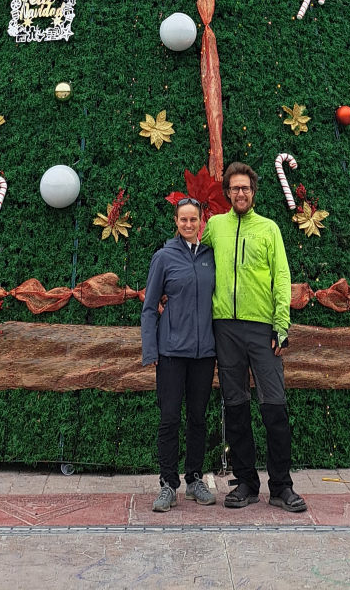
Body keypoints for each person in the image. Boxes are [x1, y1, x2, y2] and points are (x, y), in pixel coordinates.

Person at [200, 161, 306, 512]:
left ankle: (281, 486)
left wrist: (281, 325)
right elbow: (192, 257)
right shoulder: (215, 226)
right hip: (225, 329)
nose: (240, 193)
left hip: (263, 329)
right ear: (227, 193)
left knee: (274, 407)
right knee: (236, 407)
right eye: (235, 188)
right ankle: (246, 482)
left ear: (253, 192)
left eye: (245, 188)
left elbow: (281, 276)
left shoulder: (269, 229)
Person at [140, 196, 218, 512]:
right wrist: (151, 349)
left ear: (202, 222)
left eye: (193, 219)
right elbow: (149, 308)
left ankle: (194, 479)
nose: (188, 224)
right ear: (176, 221)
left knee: (198, 418)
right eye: (183, 219)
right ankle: (167, 484)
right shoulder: (163, 257)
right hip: (171, 352)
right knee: (170, 418)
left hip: (204, 352)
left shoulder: (211, 257)